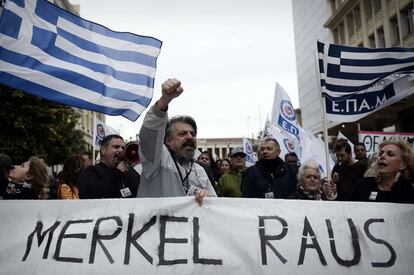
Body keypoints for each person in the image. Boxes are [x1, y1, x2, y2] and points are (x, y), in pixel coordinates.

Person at [137, 78, 216, 204]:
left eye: (193, 134)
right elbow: (149, 135)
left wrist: (208, 199)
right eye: (182, 133)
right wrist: (164, 102)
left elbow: (216, 205)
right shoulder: (157, 160)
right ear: (167, 140)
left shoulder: (199, 170)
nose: (190, 137)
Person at [77, 134, 139, 199]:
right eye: (116, 147)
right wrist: (118, 174)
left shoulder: (130, 172)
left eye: (123, 148)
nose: (121, 150)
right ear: (103, 150)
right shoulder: (91, 172)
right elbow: (89, 193)